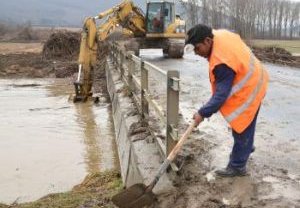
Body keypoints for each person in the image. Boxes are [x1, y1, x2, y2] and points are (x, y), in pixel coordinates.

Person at [185, 24, 269, 177]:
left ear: (207, 41)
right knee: (244, 126)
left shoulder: (221, 62)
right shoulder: (219, 34)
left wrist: (202, 113)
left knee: (242, 125)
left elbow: (220, 95)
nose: (197, 53)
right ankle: (246, 147)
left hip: (251, 86)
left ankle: (237, 167)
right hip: (254, 75)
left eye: (197, 48)